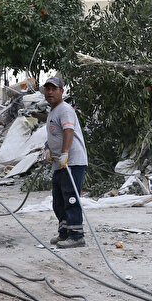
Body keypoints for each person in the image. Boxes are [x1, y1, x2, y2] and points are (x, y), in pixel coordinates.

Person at [43, 76, 88, 249]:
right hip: (60, 163)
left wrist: (65, 153)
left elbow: (68, 131)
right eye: (47, 89)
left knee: (70, 198)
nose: (50, 92)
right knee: (58, 200)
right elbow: (56, 134)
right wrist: (49, 148)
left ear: (61, 91)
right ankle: (64, 233)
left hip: (72, 161)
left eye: (54, 89)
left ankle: (77, 236)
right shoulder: (53, 111)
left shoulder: (64, 109)